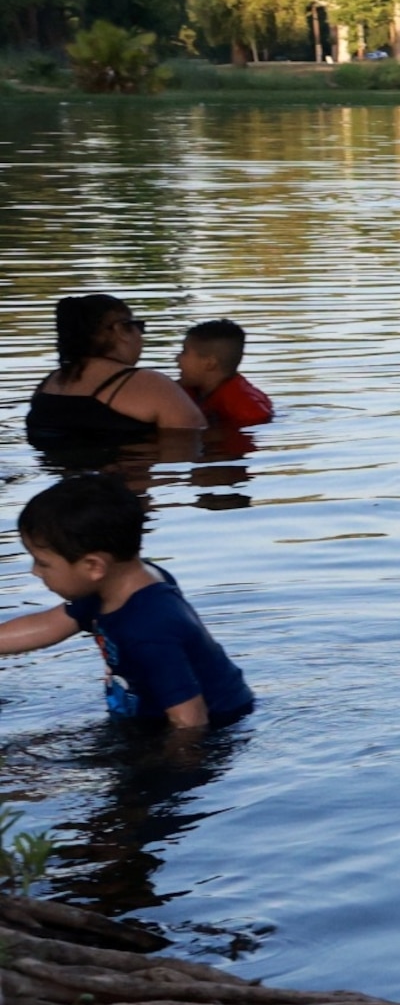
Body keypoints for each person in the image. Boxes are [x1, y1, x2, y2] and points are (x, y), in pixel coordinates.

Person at [6, 475, 256, 731]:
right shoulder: (116, 584)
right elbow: (49, 625)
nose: (35, 572)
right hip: (153, 714)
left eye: (43, 563)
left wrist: (169, 765)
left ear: (93, 566)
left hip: (213, 725)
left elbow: (190, 719)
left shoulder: (148, 628)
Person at [26, 295, 205, 451]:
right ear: (121, 331)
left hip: (59, 488)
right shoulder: (150, 384)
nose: (140, 336)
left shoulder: (48, 384)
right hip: (122, 485)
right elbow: (193, 444)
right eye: (138, 326)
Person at [174, 319, 275, 427]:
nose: (177, 358)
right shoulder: (191, 389)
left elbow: (257, 423)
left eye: (184, 352)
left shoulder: (245, 406)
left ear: (210, 363)